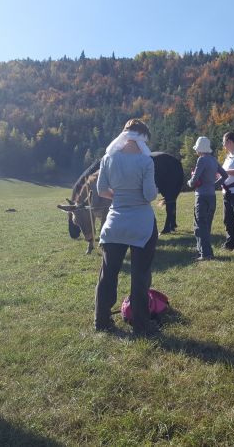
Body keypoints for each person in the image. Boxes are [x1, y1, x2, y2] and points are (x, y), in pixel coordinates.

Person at [94, 119, 159, 336]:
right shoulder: (145, 162)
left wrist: (119, 196)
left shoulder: (108, 158)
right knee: (140, 276)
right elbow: (150, 194)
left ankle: (101, 321)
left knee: (108, 274)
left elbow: (102, 189)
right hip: (141, 224)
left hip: (114, 224)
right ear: (144, 137)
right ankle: (142, 325)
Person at [186, 136, 227, 260]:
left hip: (201, 197)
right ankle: (201, 251)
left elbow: (194, 181)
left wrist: (189, 182)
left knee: (199, 225)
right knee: (206, 225)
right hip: (211, 196)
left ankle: (206, 254)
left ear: (199, 148)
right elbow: (224, 175)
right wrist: (214, 185)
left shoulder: (201, 160)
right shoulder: (213, 160)